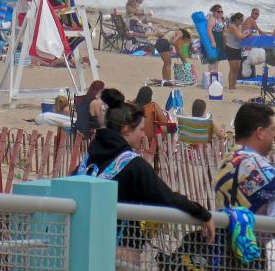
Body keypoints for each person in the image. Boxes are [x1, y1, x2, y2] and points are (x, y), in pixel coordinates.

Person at [75, 88, 214, 259]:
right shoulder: (132, 164)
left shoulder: (89, 157)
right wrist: (203, 214)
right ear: (126, 129)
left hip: (79, 242)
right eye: (140, 129)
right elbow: (165, 197)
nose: (143, 135)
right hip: (119, 248)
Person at [130, 86, 171, 160]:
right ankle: (163, 150)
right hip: (150, 139)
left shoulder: (131, 105)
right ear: (150, 98)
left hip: (134, 137)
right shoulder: (153, 106)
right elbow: (164, 122)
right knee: (164, 128)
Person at [224, 12, 246, 90]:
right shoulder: (232, 26)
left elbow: (237, 38)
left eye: (243, 20)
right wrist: (247, 34)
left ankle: (234, 86)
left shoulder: (239, 26)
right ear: (236, 20)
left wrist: (245, 35)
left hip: (237, 49)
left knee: (237, 69)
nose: (242, 22)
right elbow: (240, 36)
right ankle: (230, 87)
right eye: (241, 20)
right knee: (232, 69)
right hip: (230, 48)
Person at [204, 4, 227, 78]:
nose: (220, 13)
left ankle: (215, 76)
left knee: (217, 60)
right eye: (218, 12)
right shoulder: (212, 19)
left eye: (221, 12)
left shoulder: (220, 19)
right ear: (214, 12)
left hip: (220, 40)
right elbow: (209, 30)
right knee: (212, 60)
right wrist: (212, 41)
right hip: (214, 39)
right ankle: (210, 76)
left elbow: (224, 30)